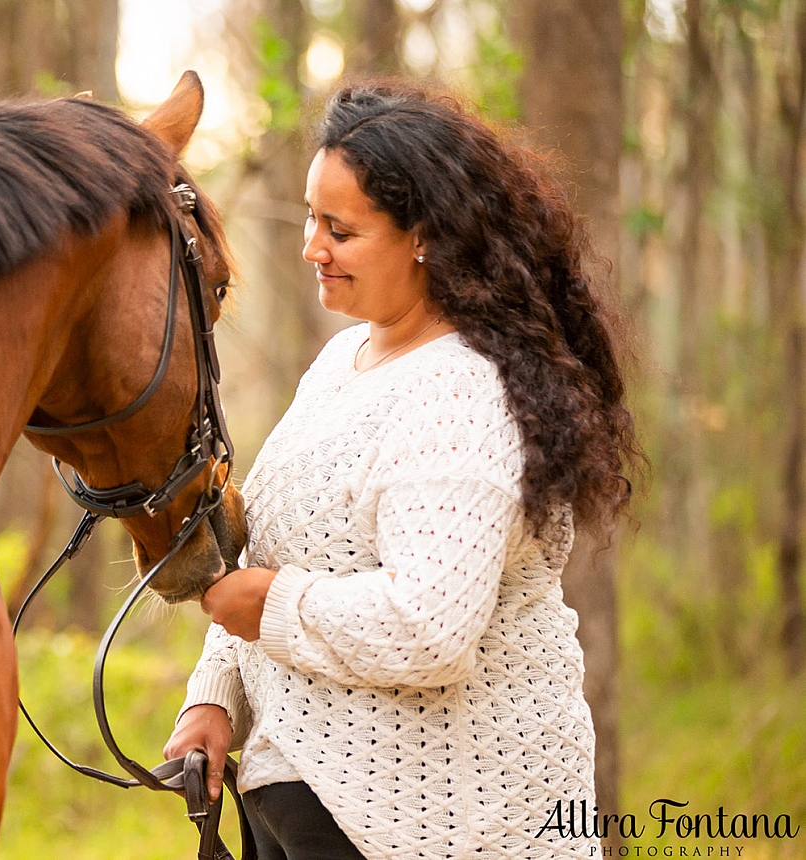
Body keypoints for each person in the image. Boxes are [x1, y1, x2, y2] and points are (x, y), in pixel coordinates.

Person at [163, 79, 642, 860]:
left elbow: (428, 628)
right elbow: (278, 561)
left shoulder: (461, 392)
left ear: (424, 234)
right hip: (299, 796)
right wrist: (214, 697)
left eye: (339, 230)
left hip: (435, 821)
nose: (310, 246)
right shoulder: (340, 362)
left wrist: (274, 605)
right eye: (311, 219)